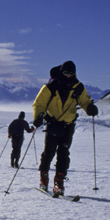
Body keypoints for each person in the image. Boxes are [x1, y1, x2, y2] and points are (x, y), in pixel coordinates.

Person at [32, 61, 98, 196]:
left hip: (68, 125)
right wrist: (38, 117)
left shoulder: (78, 87)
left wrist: (90, 108)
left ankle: (59, 182)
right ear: (62, 72)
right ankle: (44, 178)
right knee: (48, 153)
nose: (68, 75)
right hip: (53, 123)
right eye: (66, 73)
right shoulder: (51, 86)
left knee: (63, 154)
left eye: (71, 73)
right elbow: (39, 103)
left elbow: (85, 101)